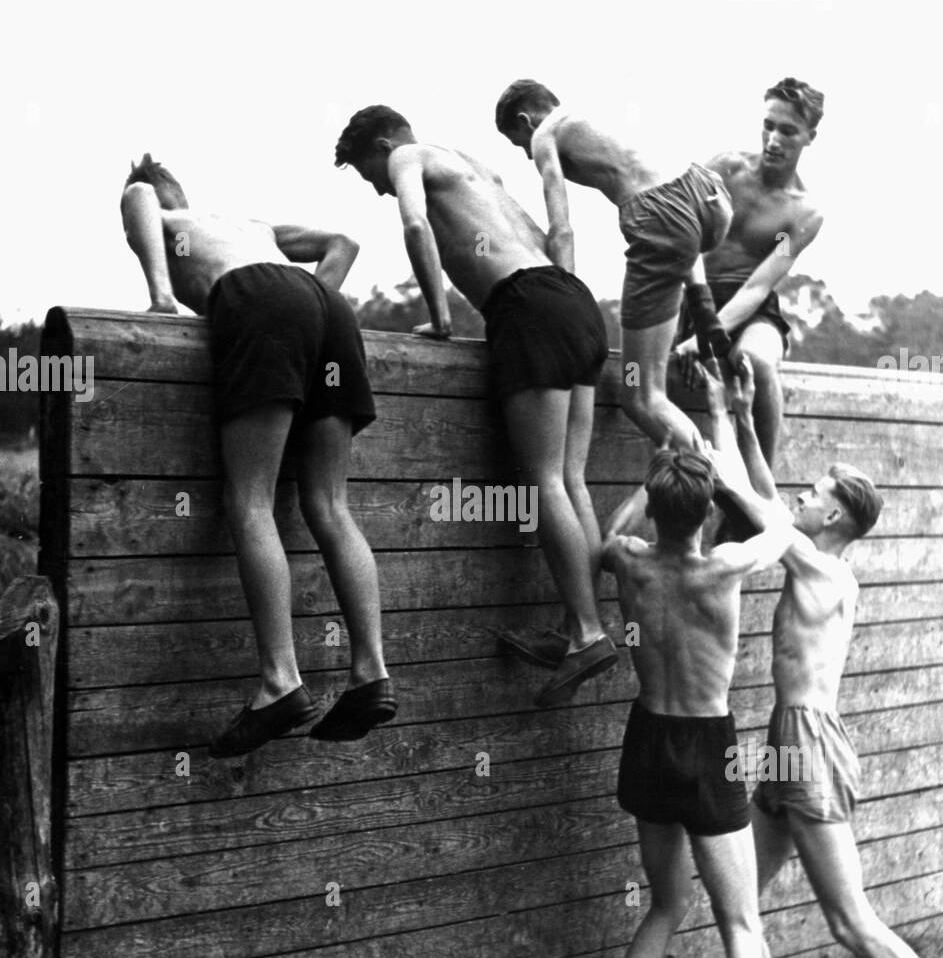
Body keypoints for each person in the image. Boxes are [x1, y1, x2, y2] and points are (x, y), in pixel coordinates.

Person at [685, 358, 943, 958]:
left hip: (807, 744)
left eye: (814, 496)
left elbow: (742, 495)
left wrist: (712, 415)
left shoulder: (822, 569)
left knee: (850, 920)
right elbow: (768, 496)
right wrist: (742, 417)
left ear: (835, 519)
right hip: (783, 738)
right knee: (740, 897)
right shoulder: (811, 551)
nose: (801, 498)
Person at [334, 107, 616, 708]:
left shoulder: (411, 156)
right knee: (572, 479)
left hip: (524, 306)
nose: (380, 186)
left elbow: (416, 226)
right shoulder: (478, 168)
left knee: (543, 481)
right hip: (572, 300)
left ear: (385, 144)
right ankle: (578, 629)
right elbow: (550, 236)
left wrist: (440, 316)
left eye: (370, 174)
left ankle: (589, 633)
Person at [120, 153, 395, 756]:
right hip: (327, 311)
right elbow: (345, 242)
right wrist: (302, 317)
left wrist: (162, 295)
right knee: (329, 504)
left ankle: (280, 682)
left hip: (260, 303)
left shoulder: (164, 214)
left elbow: (139, 195)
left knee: (249, 502)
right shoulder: (251, 227)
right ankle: (369, 672)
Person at [590, 393, 794, 958]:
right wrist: (714, 467)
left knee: (665, 905)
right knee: (742, 925)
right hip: (707, 745)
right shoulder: (726, 567)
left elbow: (609, 533)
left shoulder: (629, 562)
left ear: (657, 509)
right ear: (705, 513)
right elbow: (780, 525)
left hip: (647, 735)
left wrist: (658, 477)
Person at [494, 79, 734, 450]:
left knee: (639, 393)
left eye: (518, 144)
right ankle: (702, 305)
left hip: (662, 220)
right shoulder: (593, 112)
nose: (527, 154)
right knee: (676, 240)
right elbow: (677, 210)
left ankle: (719, 485)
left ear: (525, 120)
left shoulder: (545, 134)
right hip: (705, 192)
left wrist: (565, 305)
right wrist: (699, 299)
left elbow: (561, 230)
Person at [678, 77, 825, 470]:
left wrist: (710, 332)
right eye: (768, 126)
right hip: (696, 294)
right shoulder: (725, 167)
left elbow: (759, 286)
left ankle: (765, 488)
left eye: (788, 131)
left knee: (756, 361)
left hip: (751, 309)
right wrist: (695, 324)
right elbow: (678, 231)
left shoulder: (804, 212)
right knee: (661, 376)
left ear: (810, 136)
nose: (774, 139)